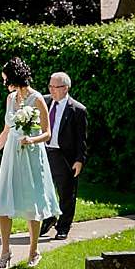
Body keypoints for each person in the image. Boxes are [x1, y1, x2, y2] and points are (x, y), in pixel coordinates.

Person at [0, 58, 60, 268]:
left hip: (31, 154)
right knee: (4, 202)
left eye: (5, 79)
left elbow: (47, 133)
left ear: (13, 77)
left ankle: (33, 251)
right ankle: (5, 252)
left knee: (32, 203)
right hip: (12, 154)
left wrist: (31, 139)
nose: (4, 83)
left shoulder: (37, 99)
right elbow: (6, 130)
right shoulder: (10, 99)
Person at [46, 72, 88, 240]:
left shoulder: (77, 110)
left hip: (64, 155)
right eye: (50, 86)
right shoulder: (45, 101)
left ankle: (63, 227)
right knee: (44, 191)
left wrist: (79, 160)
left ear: (65, 88)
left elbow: (81, 139)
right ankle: (48, 218)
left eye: (55, 87)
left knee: (66, 193)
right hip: (45, 152)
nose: (51, 90)